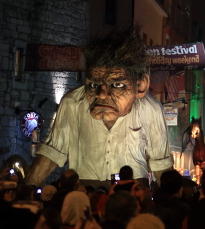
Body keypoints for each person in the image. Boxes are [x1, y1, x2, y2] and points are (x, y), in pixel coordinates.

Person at [26, 26, 173, 189]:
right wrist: (25, 190)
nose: (102, 94)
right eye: (93, 84)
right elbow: (52, 153)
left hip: (132, 191)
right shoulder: (72, 103)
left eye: (117, 85)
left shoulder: (151, 109)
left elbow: (161, 164)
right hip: (85, 192)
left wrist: (170, 200)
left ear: (140, 85)